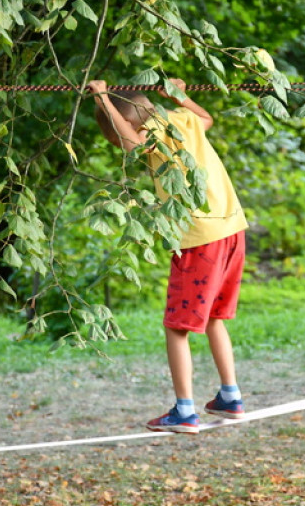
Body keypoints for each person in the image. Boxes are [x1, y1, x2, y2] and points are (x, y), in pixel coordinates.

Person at [89, 78, 250, 432]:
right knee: (213, 318)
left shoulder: (151, 134)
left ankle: (185, 411)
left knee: (176, 326)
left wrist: (103, 98)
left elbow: (132, 143)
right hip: (233, 229)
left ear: (128, 122)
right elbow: (206, 119)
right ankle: (230, 396)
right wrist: (179, 96)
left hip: (199, 237)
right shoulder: (179, 118)